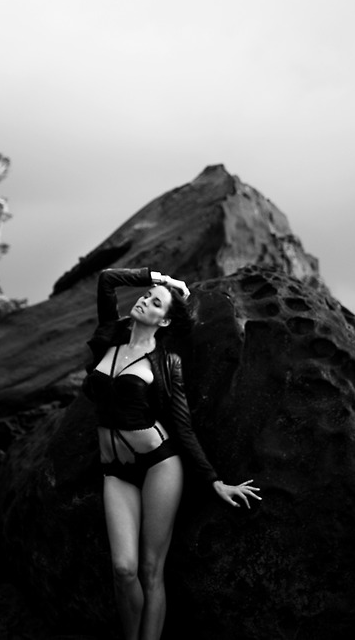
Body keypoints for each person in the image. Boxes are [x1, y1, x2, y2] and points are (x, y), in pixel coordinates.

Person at [83, 267, 261, 640]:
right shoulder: (109, 337)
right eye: (145, 295)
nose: (144, 300)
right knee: (123, 570)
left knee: (151, 570)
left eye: (155, 302)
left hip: (159, 465)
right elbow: (107, 280)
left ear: (164, 320)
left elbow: (183, 426)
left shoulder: (166, 362)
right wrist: (161, 279)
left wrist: (213, 481)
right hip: (114, 470)